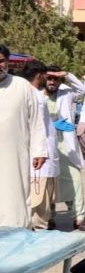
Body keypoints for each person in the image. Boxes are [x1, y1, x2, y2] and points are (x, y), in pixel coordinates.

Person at [0, 45, 47, 228]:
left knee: (15, 196)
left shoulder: (21, 86)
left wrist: (39, 150)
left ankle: (18, 231)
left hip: (15, 156)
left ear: (7, 62)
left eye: (1, 61)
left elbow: (35, 120)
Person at [45, 65, 85, 231]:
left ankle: (78, 218)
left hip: (65, 145)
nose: (52, 81)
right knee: (49, 182)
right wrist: (52, 125)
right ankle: (49, 218)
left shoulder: (66, 93)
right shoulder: (37, 94)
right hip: (46, 144)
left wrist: (67, 74)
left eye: (56, 79)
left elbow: (83, 89)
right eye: (49, 78)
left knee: (74, 180)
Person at [22, 61, 60, 230]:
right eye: (46, 75)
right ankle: (39, 231)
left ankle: (45, 225)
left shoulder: (36, 95)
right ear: (39, 75)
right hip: (40, 157)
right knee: (40, 200)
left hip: (47, 155)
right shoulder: (34, 96)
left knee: (48, 197)